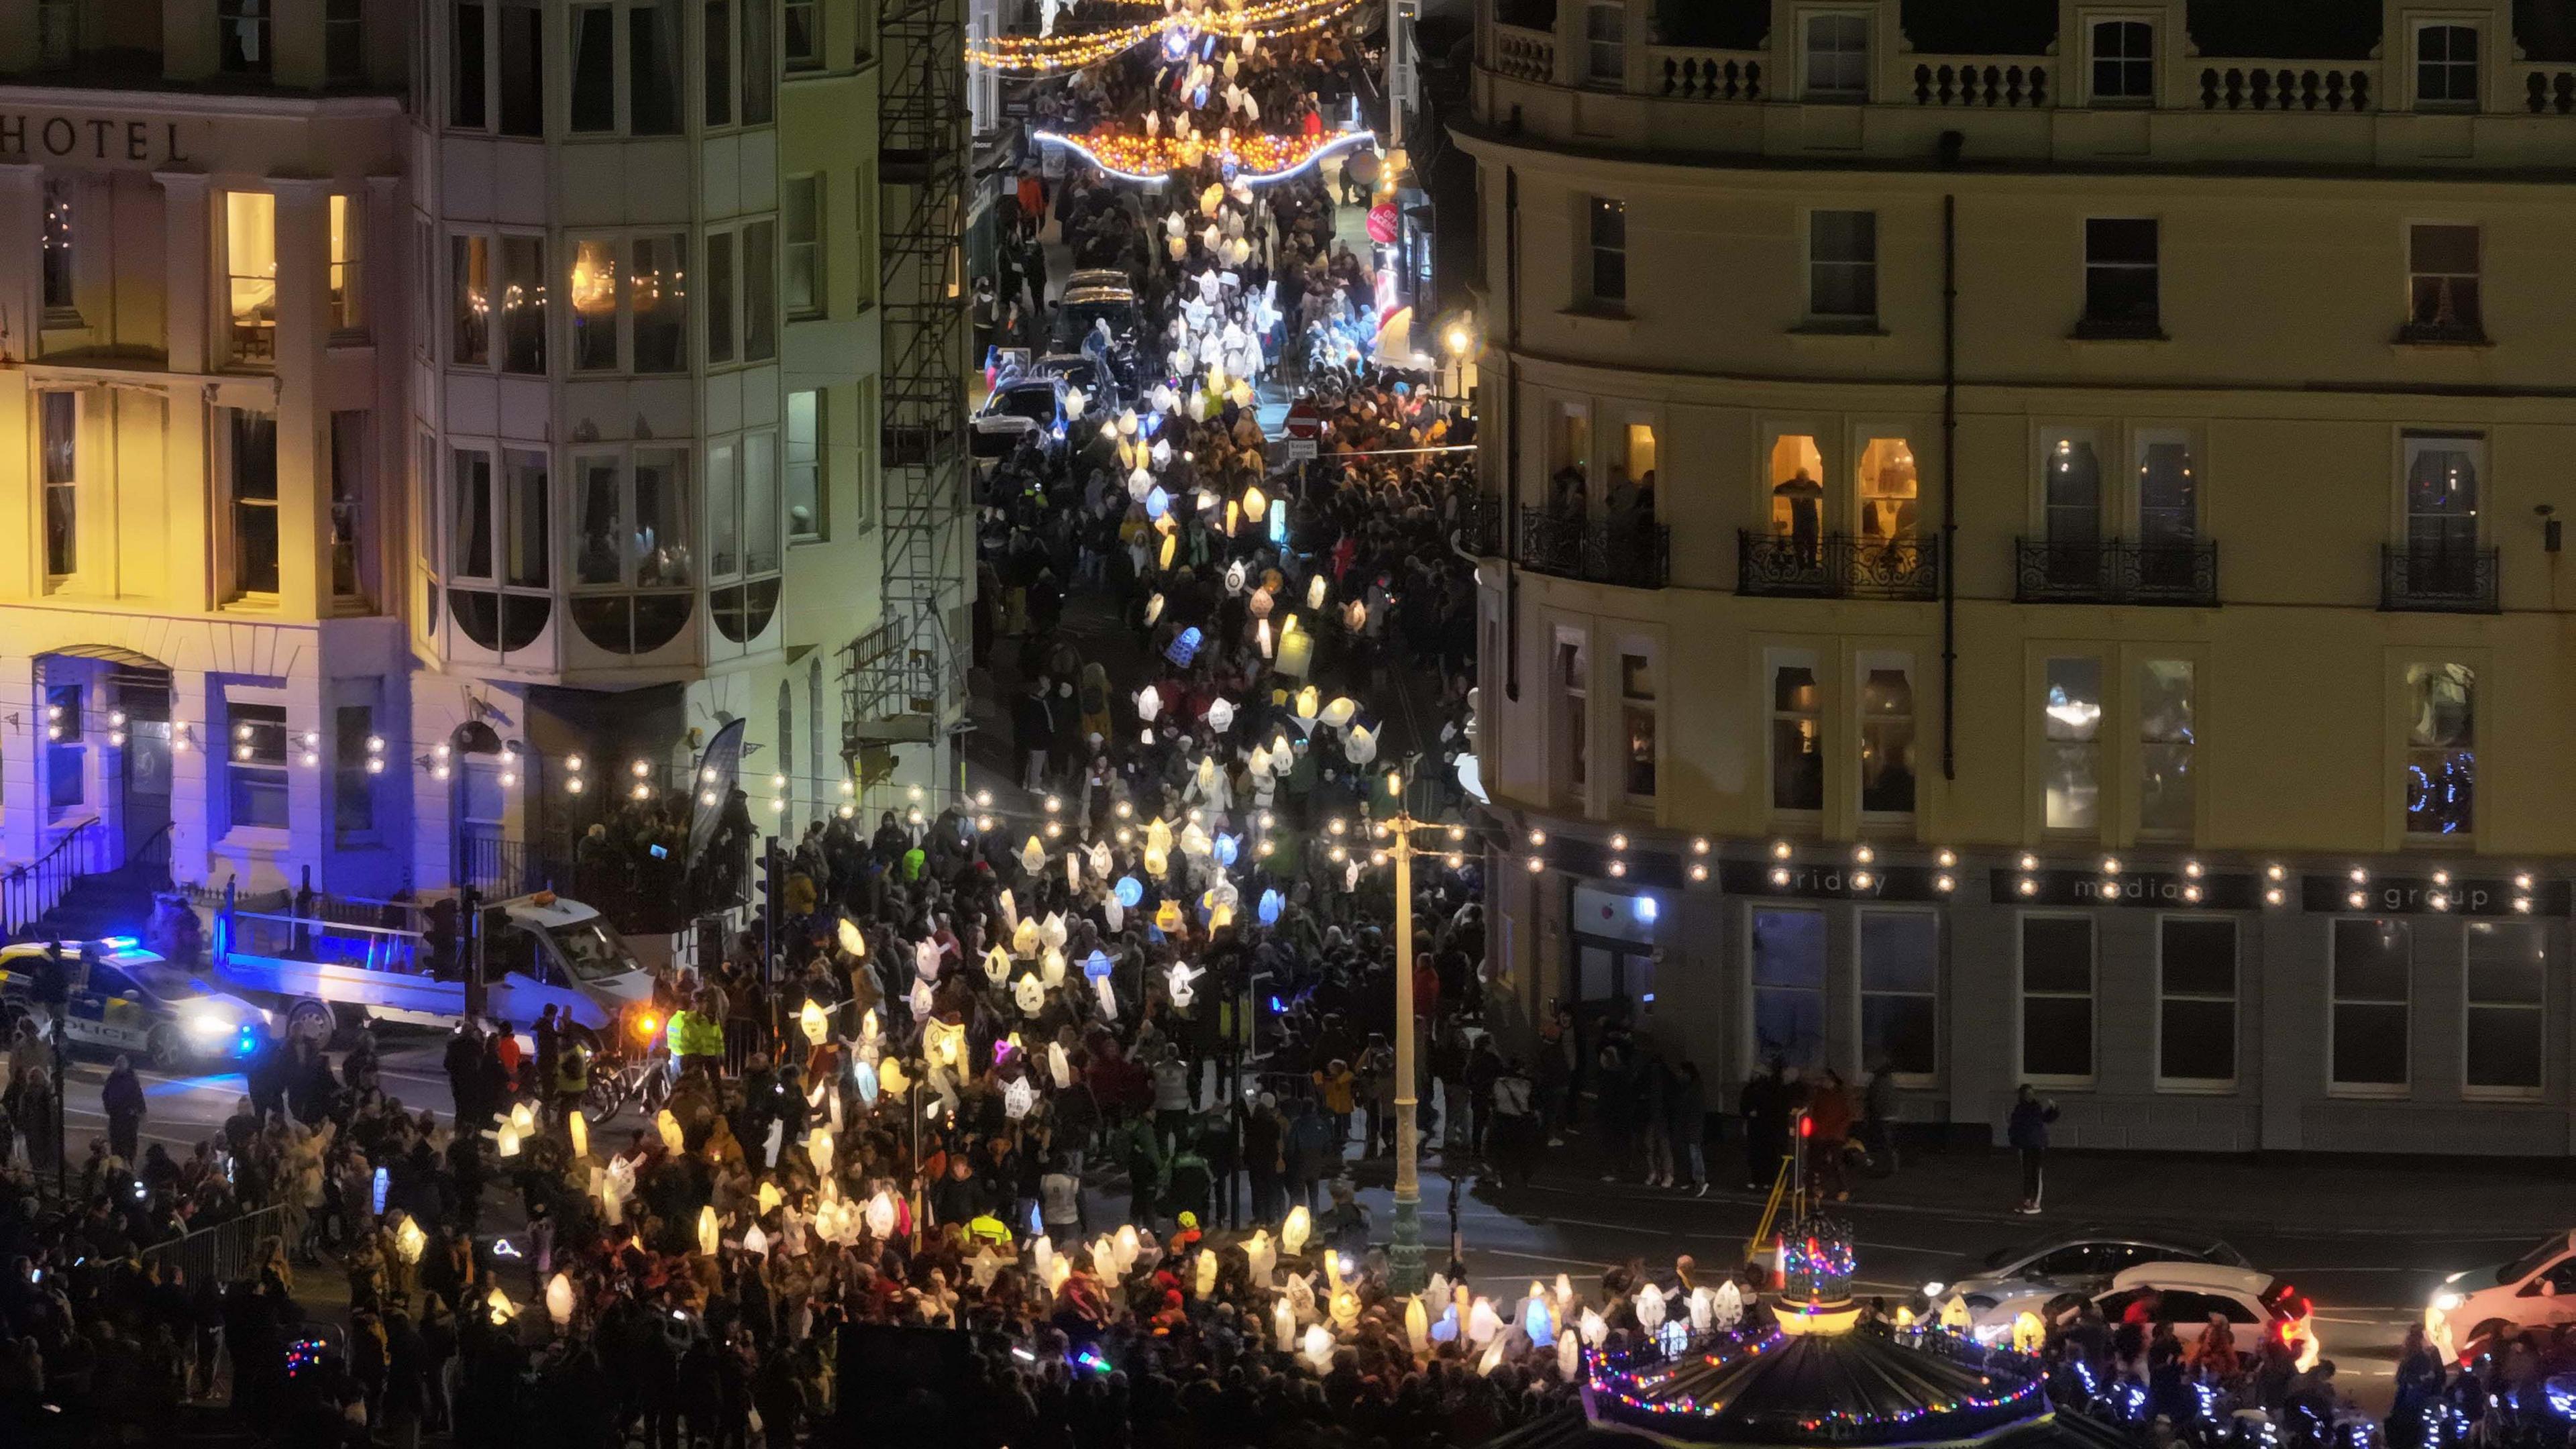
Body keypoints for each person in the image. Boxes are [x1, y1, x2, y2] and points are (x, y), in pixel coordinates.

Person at [2008, 1083, 2059, 1214]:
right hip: (2027, 1144)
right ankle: (2028, 1200)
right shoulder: (2021, 1109)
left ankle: (2036, 1203)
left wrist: (2054, 1109)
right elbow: (2015, 1128)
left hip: (2036, 1144)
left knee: (2035, 1173)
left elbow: (2047, 1118)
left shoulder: (2033, 1108)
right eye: (2026, 1094)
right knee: (2027, 1173)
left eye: (2030, 1094)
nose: (2028, 1096)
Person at [101, 1054, 146, 1165]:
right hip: (116, 1114)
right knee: (116, 1139)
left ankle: (130, 1160)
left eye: (121, 1065)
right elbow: (106, 1094)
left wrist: (139, 1110)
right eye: (118, 1065)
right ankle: (118, 1161)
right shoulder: (113, 1078)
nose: (120, 1067)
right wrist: (109, 1108)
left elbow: (138, 1095)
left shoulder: (131, 1079)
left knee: (130, 1139)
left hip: (129, 1115)